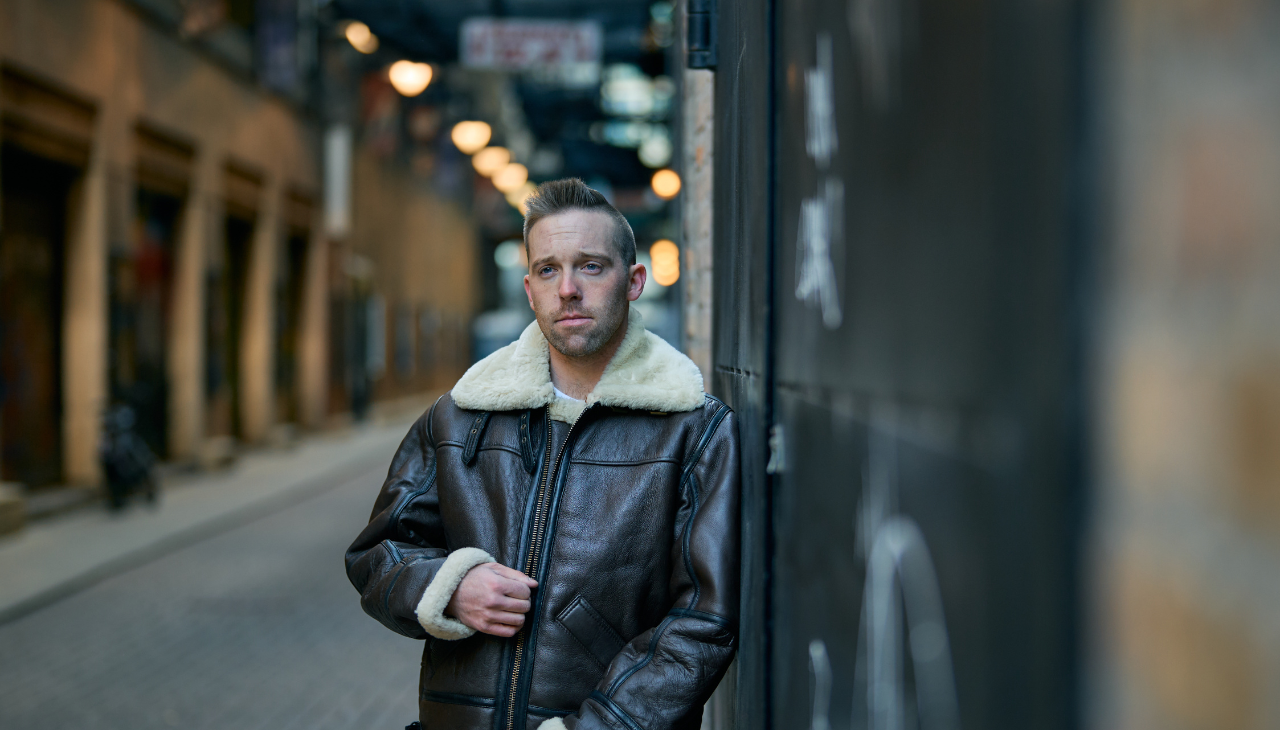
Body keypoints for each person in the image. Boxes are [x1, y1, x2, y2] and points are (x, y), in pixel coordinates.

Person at [346, 178, 740, 730]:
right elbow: (377, 554)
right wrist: (449, 586)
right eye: (549, 270)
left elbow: (703, 621)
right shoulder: (461, 415)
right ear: (530, 290)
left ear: (634, 282)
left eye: (591, 267)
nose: (568, 289)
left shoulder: (693, 429)